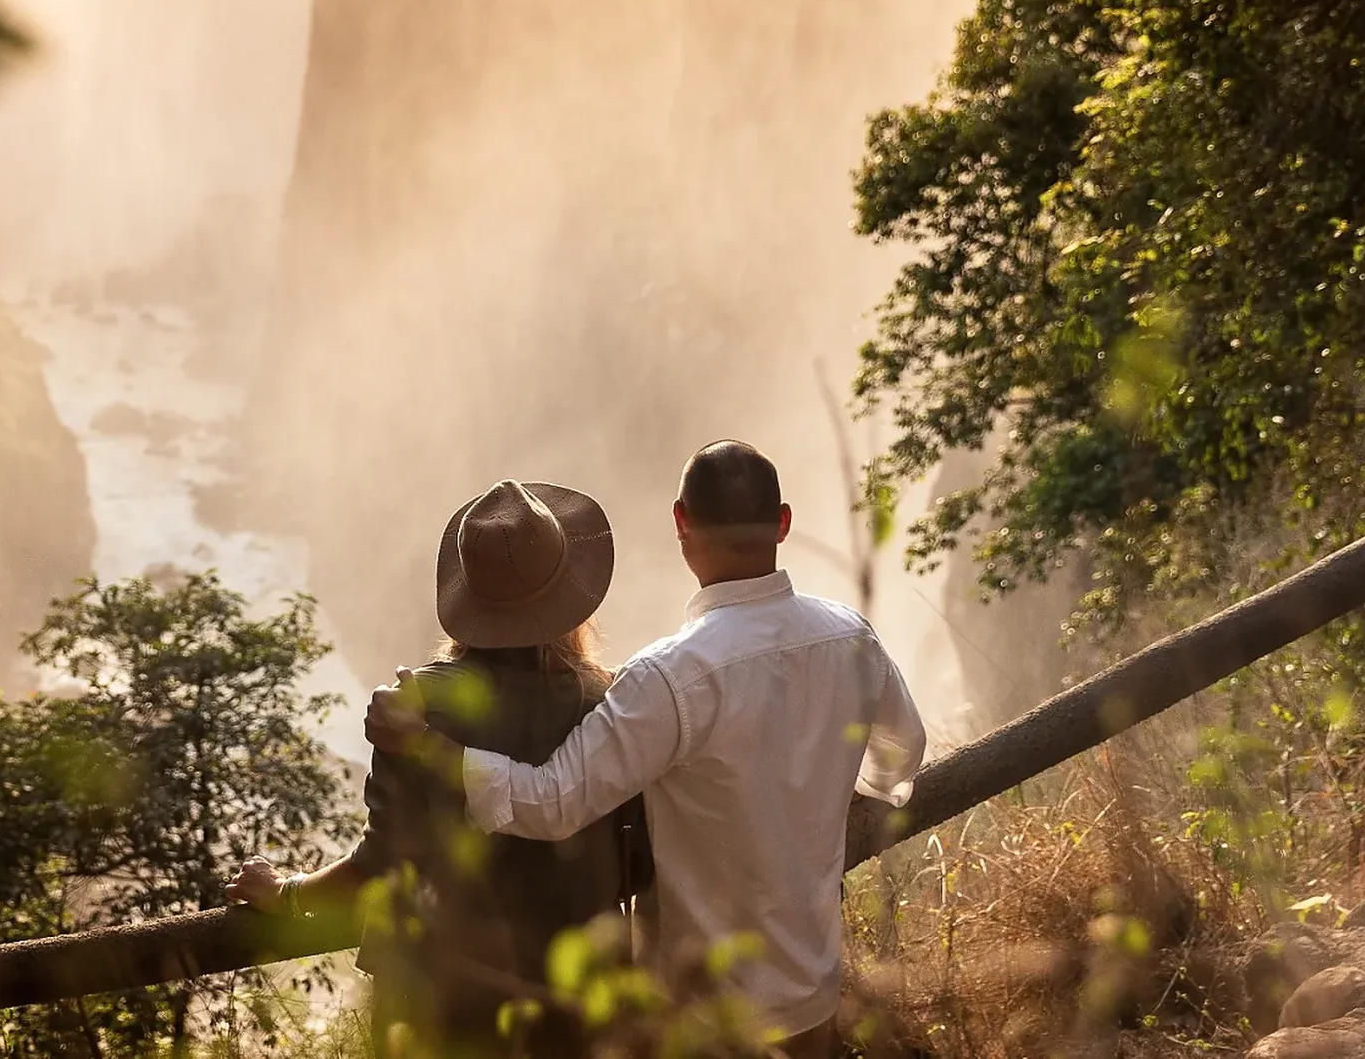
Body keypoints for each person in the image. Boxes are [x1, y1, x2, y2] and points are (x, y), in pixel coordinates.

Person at [367, 441, 925, 1058]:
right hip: (815, 993)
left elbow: (551, 802)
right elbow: (899, 759)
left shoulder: (669, 679)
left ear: (681, 525)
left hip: (705, 1015)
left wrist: (422, 745)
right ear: (784, 523)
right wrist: (806, 804)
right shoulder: (850, 636)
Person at [227, 479, 648, 1059]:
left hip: (444, 1005)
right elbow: (639, 863)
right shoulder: (612, 703)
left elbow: (380, 867)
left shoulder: (417, 707)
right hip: (580, 1005)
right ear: (570, 597)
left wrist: (289, 891)